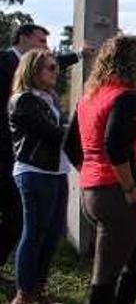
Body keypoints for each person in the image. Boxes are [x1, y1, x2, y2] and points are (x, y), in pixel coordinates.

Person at [72, 35, 136, 304]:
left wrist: (90, 171)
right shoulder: (125, 96)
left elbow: (72, 145)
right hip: (116, 192)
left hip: (93, 189)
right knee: (106, 270)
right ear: (135, 62)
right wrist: (130, 187)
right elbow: (116, 145)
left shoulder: (90, 96)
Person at [0, 24, 87, 271]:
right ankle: (25, 288)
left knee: (30, 223)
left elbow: (51, 63)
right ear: (23, 38)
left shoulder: (47, 97)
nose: (45, 47)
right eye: (41, 41)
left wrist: (79, 54)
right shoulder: (5, 64)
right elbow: (50, 131)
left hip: (37, 160)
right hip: (15, 154)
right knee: (21, 220)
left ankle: (31, 283)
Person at [7, 50, 78, 304]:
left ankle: (39, 290)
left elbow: (60, 130)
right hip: (34, 171)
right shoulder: (23, 100)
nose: (54, 72)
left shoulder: (49, 98)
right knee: (34, 232)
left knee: (51, 235)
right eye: (50, 68)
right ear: (32, 71)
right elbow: (50, 132)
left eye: (55, 68)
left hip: (56, 172)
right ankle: (23, 297)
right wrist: (79, 129)